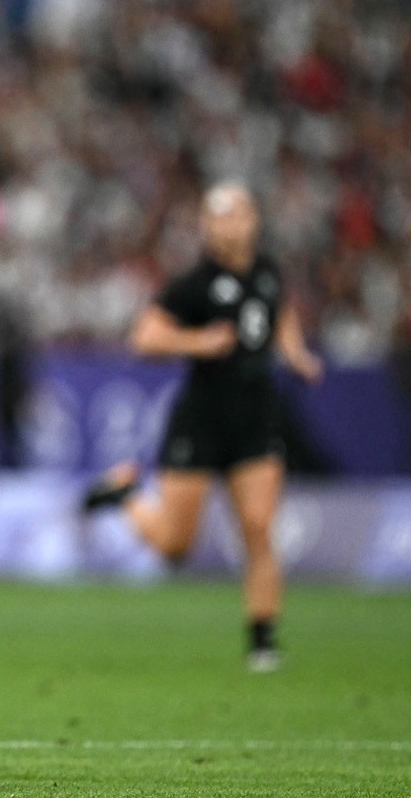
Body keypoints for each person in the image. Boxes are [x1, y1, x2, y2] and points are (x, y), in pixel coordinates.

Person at [82, 183, 322, 673]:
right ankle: (124, 494)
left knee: (259, 527)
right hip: (201, 417)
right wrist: (198, 341)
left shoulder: (268, 272)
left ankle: (263, 641)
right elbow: (144, 337)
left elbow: (279, 314)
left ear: (253, 220)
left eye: (234, 215)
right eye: (216, 217)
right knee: (175, 545)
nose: (225, 226)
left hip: (256, 414)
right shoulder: (193, 284)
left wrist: (296, 354)